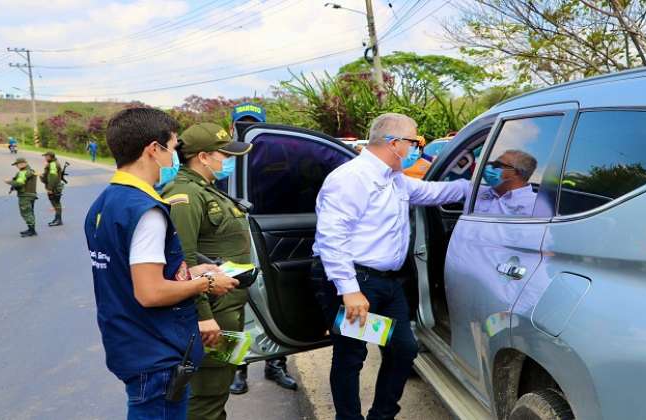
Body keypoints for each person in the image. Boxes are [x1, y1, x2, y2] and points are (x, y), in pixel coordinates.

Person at [312, 113, 471, 420]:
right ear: (395, 143)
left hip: (387, 282)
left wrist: (473, 187)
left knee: (404, 350)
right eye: (415, 142)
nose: (417, 149)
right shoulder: (351, 178)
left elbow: (431, 193)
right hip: (356, 282)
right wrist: (349, 290)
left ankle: (381, 415)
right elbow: (332, 237)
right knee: (351, 356)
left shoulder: (394, 178)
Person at [83, 108, 239, 420]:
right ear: (154, 149)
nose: (174, 158)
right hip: (156, 352)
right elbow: (150, 292)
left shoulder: (106, 202)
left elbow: (130, 274)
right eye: (172, 147)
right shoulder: (147, 211)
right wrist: (206, 283)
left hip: (130, 342)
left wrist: (188, 272)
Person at [162, 122, 254, 420]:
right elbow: (183, 261)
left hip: (225, 308)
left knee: (218, 387)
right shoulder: (185, 195)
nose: (228, 161)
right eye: (224, 155)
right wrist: (204, 317)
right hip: (209, 313)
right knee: (205, 395)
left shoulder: (206, 189)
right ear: (203, 156)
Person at [226, 102, 298, 395]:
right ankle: (236, 368)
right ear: (232, 127)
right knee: (233, 311)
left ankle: (276, 364)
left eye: (250, 125)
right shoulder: (222, 160)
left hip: (264, 238)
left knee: (275, 303)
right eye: (240, 124)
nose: (244, 129)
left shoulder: (276, 157)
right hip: (230, 245)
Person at [474, 150, 538, 216]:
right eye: (492, 163)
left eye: (497, 165)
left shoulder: (535, 205)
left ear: (516, 173)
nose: (489, 167)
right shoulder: (475, 190)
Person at [5, 157, 38, 237]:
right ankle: (31, 229)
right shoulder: (30, 171)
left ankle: (32, 231)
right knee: (30, 212)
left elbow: (19, 184)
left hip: (25, 195)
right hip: (31, 195)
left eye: (17, 164)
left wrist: (9, 182)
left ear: (23, 163)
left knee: (26, 212)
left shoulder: (23, 172)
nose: (17, 166)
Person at [40, 151, 64, 226]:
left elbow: (53, 177)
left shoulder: (53, 164)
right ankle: (57, 218)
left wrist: (50, 188)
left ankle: (58, 220)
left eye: (46, 156)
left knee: (56, 203)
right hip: (55, 186)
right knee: (55, 203)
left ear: (50, 156)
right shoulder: (52, 163)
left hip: (54, 187)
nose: (45, 158)